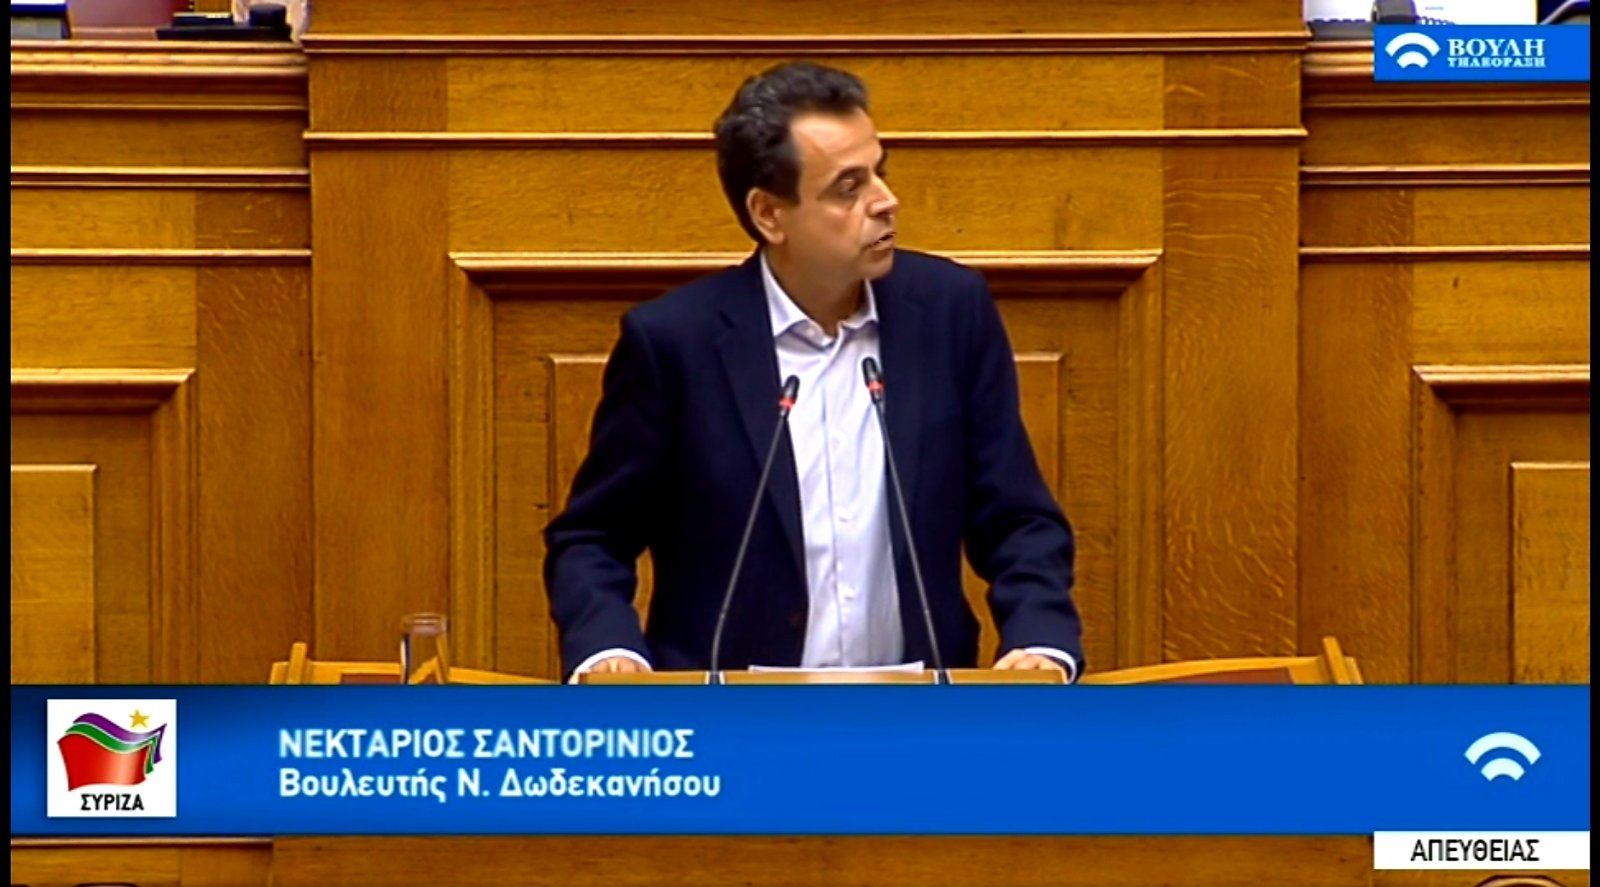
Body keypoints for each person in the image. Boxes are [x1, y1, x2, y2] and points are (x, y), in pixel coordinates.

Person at [543, 61, 1083, 682]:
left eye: (880, 171)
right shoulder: (676, 343)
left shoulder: (948, 313)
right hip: (730, 710)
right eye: (848, 187)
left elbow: (1016, 517)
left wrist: (1040, 639)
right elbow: (594, 536)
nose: (885, 201)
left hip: (917, 704)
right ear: (769, 215)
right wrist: (609, 650)